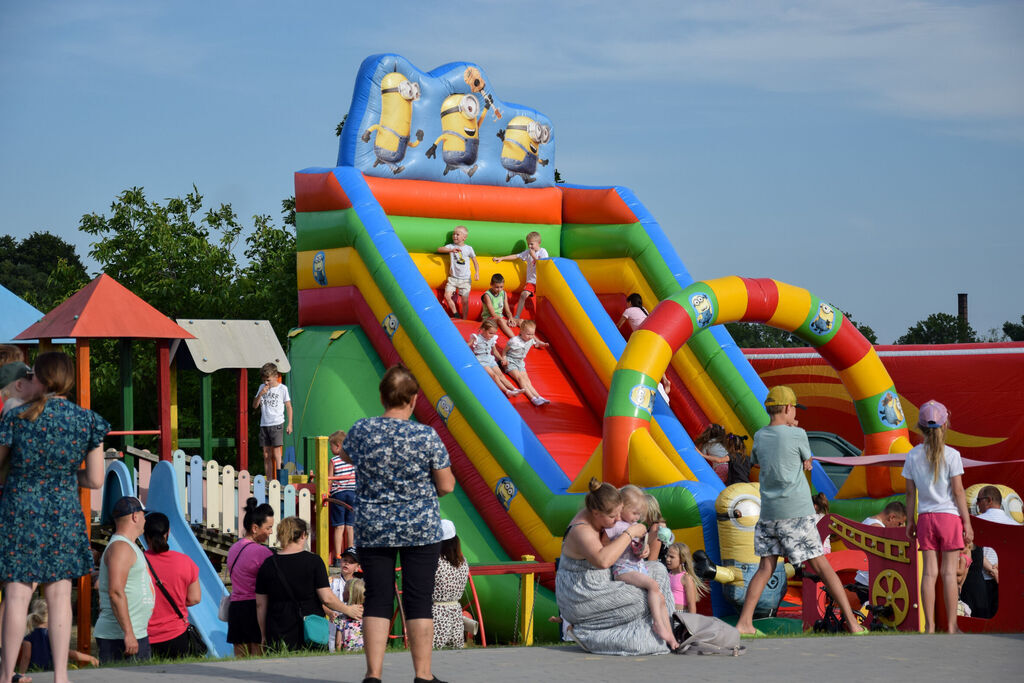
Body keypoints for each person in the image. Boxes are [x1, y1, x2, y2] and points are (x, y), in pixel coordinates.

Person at [342, 365, 455, 683]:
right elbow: (446, 486)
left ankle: (373, 675)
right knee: (418, 599)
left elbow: (349, 457)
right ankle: (423, 675)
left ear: (382, 397)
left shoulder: (362, 430)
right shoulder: (426, 435)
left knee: (377, 596)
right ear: (414, 399)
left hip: (373, 528)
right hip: (420, 529)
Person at [0, 351, 108, 683]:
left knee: (18, 595)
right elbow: (94, 479)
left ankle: (6, 675)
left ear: (41, 379)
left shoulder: (16, 418)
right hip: (63, 512)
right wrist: (63, 478)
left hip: (20, 510)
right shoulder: (87, 420)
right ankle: (61, 677)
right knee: (60, 595)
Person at [735, 386, 866, 636]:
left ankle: (744, 623)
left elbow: (758, 460)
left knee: (765, 568)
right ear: (787, 408)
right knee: (822, 565)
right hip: (795, 512)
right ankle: (852, 622)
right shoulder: (799, 435)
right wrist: (794, 431)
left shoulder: (760, 435)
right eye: (794, 408)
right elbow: (807, 460)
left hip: (769, 514)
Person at [556, 478, 677, 655]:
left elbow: (618, 549)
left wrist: (642, 548)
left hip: (609, 578)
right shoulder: (582, 530)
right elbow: (603, 560)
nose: (618, 519)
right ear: (596, 513)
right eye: (613, 516)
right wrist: (629, 533)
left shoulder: (605, 520)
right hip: (584, 593)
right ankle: (588, 634)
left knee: (657, 571)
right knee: (645, 598)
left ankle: (668, 630)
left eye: (620, 513)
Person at [902, 399, 973, 634]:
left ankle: (929, 626)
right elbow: (958, 492)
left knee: (929, 573)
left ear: (920, 428)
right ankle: (952, 626)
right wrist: (967, 523)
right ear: (945, 425)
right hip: (949, 518)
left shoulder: (912, 456)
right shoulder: (952, 455)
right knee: (949, 573)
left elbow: (910, 493)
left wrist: (910, 521)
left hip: (925, 518)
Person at [254, 516, 363, 651]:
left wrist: (263, 635)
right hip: (311, 632)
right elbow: (327, 598)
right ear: (303, 535)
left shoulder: (268, 564)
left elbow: (260, 605)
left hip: (277, 631)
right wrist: (348, 609)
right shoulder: (314, 561)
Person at [603, 486, 679, 650]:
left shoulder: (636, 525)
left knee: (662, 598)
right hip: (623, 569)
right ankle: (658, 625)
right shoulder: (615, 526)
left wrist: (644, 550)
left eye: (639, 514)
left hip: (637, 566)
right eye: (635, 513)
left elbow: (639, 548)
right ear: (622, 507)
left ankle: (671, 636)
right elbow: (606, 543)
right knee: (653, 585)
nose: (637, 517)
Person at [94, 496, 157, 663]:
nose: (145, 520)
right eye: (143, 515)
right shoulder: (120, 547)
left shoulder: (128, 545)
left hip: (134, 634)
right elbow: (115, 592)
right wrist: (128, 633)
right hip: (119, 637)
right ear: (135, 517)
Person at [141, 513, 201, 658]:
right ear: (168, 533)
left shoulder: (136, 560)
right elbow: (194, 599)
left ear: (144, 533)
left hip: (142, 636)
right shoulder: (185, 561)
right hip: (176, 635)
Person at [226, 498, 275, 656]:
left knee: (239, 655)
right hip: (255, 607)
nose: (271, 532)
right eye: (268, 528)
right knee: (258, 655)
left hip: (236, 608)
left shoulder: (233, 548)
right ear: (255, 528)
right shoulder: (263, 553)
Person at [15, 598, 97, 680]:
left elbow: (26, 657)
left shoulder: (29, 634)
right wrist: (89, 658)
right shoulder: (54, 635)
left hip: (35, 673)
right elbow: (67, 652)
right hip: (53, 673)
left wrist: (22, 674)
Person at [972, 485, 1021, 618]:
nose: (977, 504)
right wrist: (998, 570)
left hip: (982, 580)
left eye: (978, 500)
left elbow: (974, 552)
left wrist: (993, 571)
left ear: (988, 500)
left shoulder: (976, 523)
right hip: (1007, 580)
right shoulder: (1016, 526)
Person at [850, 502, 906, 604]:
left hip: (864, 582)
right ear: (891, 517)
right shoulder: (877, 528)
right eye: (899, 523)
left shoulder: (868, 521)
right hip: (869, 584)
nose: (900, 527)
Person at [492, 230, 548, 322]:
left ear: (539, 243)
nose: (529, 246)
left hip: (541, 281)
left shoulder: (543, 252)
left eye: (532, 244)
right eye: (528, 244)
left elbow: (542, 265)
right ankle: (517, 316)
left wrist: (533, 256)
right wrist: (502, 258)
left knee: (541, 302)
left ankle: (538, 319)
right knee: (523, 295)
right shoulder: (528, 252)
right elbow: (516, 256)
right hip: (532, 281)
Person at [432, 520, 470, 650]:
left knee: (435, 653)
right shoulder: (463, 562)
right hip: (455, 613)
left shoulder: (435, 562)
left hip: (436, 613)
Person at [252, 362, 292, 482]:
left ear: (275, 376)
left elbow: (289, 406)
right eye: (264, 380)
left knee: (276, 453)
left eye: (268, 380)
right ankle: (268, 481)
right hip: (264, 423)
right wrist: (260, 394)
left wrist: (290, 424)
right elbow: (254, 406)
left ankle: (281, 480)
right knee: (266, 454)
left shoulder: (282, 388)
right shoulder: (261, 388)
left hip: (277, 422)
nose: (266, 383)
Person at [503, 319, 550, 406]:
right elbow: (504, 351)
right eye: (528, 334)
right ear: (521, 331)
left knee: (527, 380)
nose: (530, 336)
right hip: (511, 361)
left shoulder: (531, 340)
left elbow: (537, 343)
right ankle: (532, 399)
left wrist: (542, 344)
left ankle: (538, 396)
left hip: (520, 362)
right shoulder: (514, 340)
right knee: (520, 378)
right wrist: (504, 359)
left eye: (532, 334)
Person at [469, 319, 521, 397]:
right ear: (483, 330)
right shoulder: (477, 338)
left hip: (490, 359)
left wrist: (502, 359)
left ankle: (514, 389)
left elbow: (495, 351)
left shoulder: (492, 339)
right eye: (490, 333)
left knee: (501, 375)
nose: (492, 335)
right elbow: (466, 346)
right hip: (481, 360)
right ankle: (507, 391)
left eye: (494, 333)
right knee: (494, 376)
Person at [328, 430, 357, 564]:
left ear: (338, 445)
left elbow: (329, 480)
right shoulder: (353, 458)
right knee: (350, 526)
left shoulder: (334, 461)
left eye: (331, 446)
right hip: (352, 493)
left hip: (338, 494)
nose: (330, 449)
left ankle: (338, 556)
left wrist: (327, 492)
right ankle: (351, 553)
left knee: (339, 526)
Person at [438, 225, 479, 318]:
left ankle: (464, 319)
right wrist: (451, 250)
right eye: (453, 234)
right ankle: (456, 313)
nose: (455, 236)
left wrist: (477, 272)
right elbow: (439, 249)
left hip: (465, 279)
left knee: (465, 300)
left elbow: (475, 262)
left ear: (464, 237)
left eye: (457, 234)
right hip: (453, 278)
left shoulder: (468, 248)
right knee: (447, 296)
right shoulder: (451, 246)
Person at [664, 542, 707, 613]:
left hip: (680, 614)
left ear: (682, 559)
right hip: (667, 613)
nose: (668, 559)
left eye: (672, 557)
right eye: (667, 556)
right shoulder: (666, 575)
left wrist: (691, 623)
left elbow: (691, 605)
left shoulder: (686, 578)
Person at [329, 577, 365, 652]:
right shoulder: (366, 616)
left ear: (349, 594)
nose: (342, 592)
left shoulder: (341, 617)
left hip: (347, 652)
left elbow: (338, 642)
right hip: (364, 652)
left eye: (344, 590)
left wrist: (338, 651)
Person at [480, 273, 517, 338]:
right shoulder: (487, 295)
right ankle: (514, 339)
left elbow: (507, 309)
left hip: (500, 317)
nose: (499, 289)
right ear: (491, 284)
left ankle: (536, 341)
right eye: (497, 287)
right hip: (488, 318)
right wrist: (505, 321)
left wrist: (510, 318)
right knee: (501, 321)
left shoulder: (503, 293)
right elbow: (493, 314)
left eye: (501, 287)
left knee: (520, 321)